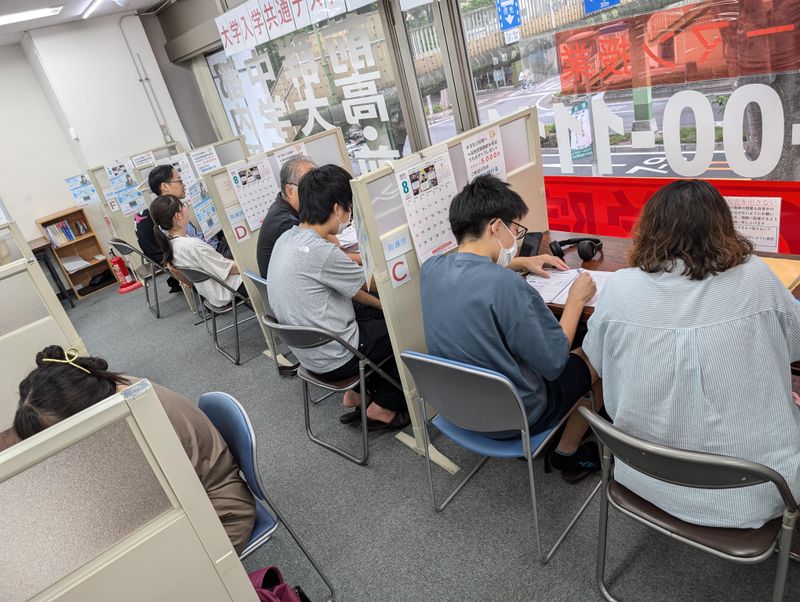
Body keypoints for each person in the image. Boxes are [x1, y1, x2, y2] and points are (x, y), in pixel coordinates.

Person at [583, 179, 800, 528]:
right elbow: (794, 346)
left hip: (642, 478)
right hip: (755, 493)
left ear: (649, 229)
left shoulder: (620, 287)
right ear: (722, 227)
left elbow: (598, 360)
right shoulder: (756, 277)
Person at [420, 175, 602, 479]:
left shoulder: (430, 270)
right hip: (519, 417)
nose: (515, 238)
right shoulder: (507, 288)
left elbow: (471, 272)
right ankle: (567, 451)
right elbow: (556, 361)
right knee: (600, 347)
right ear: (495, 227)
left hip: (454, 408)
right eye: (515, 230)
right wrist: (575, 299)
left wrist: (518, 264)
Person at [11, 345, 257, 555]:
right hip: (192, 499)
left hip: (221, 513)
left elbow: (153, 501)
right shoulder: (110, 391)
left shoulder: (136, 417)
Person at [267, 165, 409, 429]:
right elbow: (376, 283)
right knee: (402, 331)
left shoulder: (288, 239)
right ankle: (384, 408)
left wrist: (383, 307)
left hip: (309, 355)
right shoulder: (321, 252)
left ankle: (356, 395)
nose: (349, 215)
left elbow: (353, 290)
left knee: (377, 316)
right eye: (349, 209)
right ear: (337, 208)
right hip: (336, 357)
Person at [150, 194, 244, 307]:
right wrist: (250, 265)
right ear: (178, 216)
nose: (186, 207)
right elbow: (229, 269)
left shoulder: (172, 246)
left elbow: (189, 283)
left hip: (212, 295)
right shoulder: (191, 245)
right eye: (183, 205)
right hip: (230, 289)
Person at [146, 165, 231, 258]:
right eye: (179, 181)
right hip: (215, 254)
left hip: (212, 250)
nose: (183, 184)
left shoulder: (167, 210)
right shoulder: (172, 215)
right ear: (165, 186)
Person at [256, 156, 315, 278]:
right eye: (309, 185)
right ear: (289, 191)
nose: (316, 190)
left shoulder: (283, 205)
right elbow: (318, 256)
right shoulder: (286, 223)